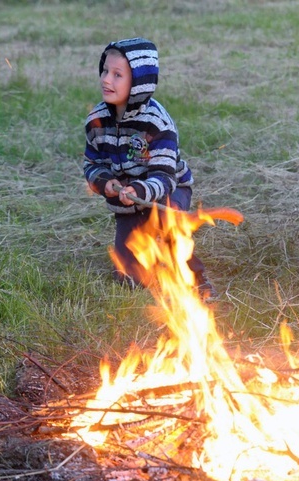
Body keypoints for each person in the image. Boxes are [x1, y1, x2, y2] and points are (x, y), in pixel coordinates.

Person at [83, 37, 216, 298]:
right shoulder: (96, 121)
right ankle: (145, 265)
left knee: (169, 226)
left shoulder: (157, 124)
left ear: (138, 84)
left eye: (118, 75)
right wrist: (104, 181)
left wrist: (140, 190)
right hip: (127, 201)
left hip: (168, 190)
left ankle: (196, 278)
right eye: (105, 71)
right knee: (127, 277)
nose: (106, 79)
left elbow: (165, 177)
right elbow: (92, 163)